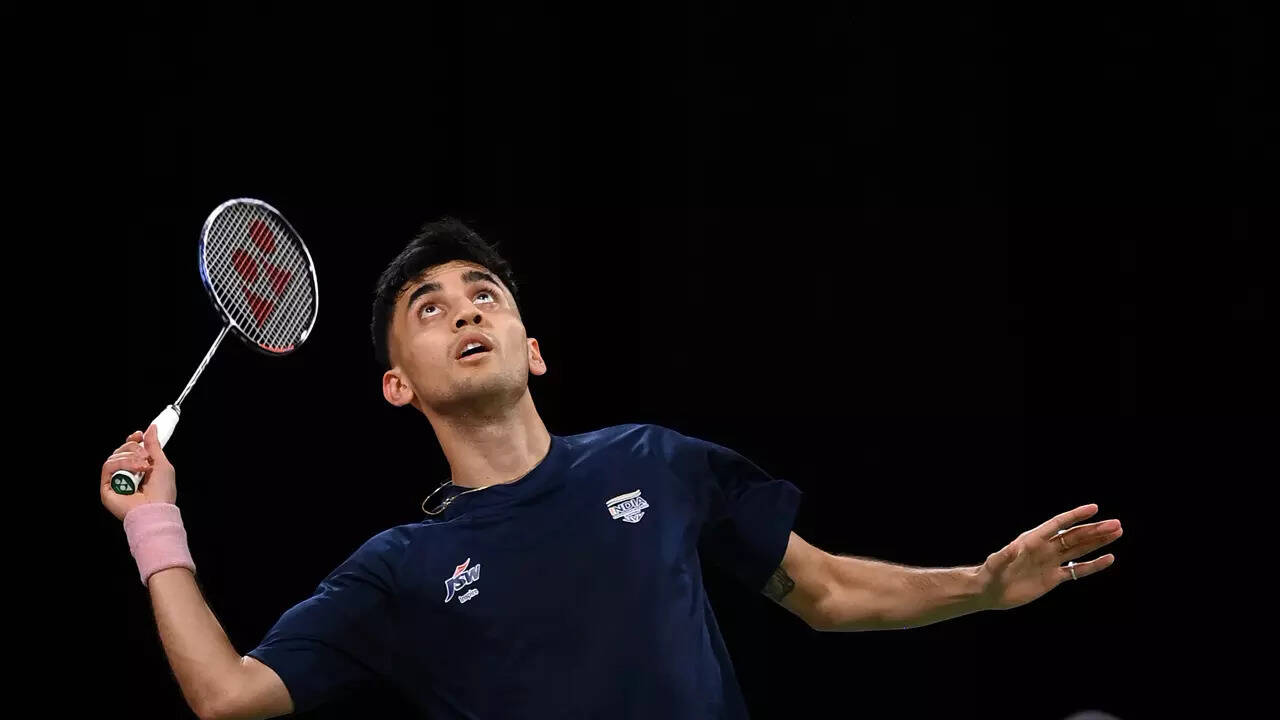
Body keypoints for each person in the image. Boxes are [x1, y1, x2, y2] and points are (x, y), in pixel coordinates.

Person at [100, 218, 1125, 719]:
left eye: (485, 294)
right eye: (429, 307)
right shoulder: (400, 568)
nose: (465, 310)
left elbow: (823, 591)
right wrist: (154, 521)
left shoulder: (656, 461)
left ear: (534, 349)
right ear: (396, 386)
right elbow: (228, 695)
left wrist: (980, 585)